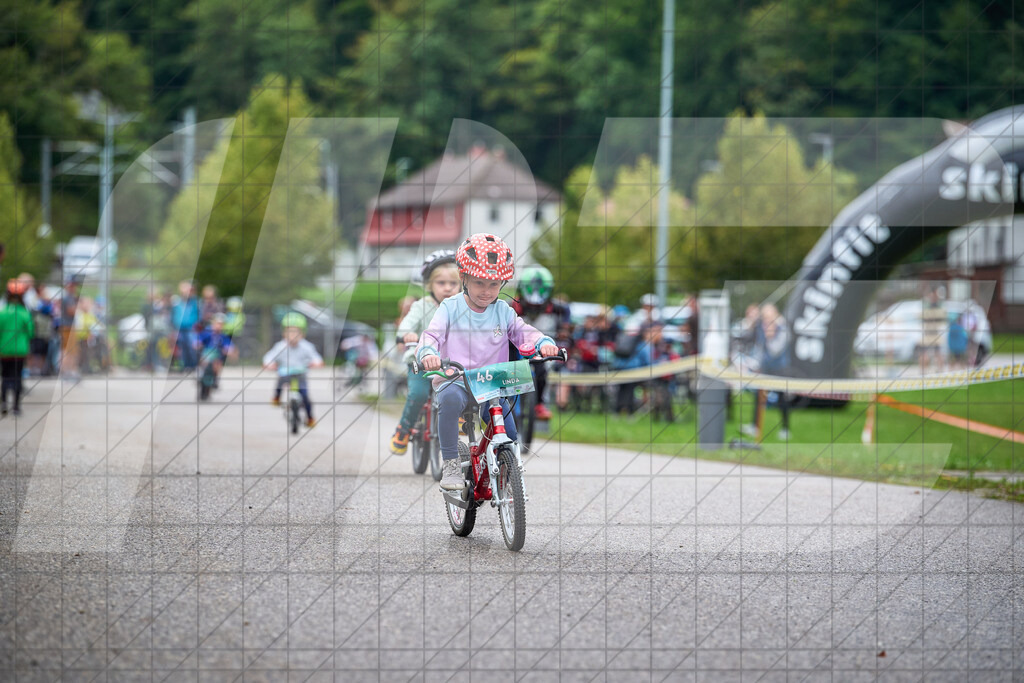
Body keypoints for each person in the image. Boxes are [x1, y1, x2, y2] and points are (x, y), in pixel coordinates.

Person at [417, 233, 558, 491]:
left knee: (509, 432)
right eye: (479, 283)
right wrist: (428, 353)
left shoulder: (503, 311)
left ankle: (503, 467)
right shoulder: (450, 308)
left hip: (491, 384)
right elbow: (432, 335)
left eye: (494, 284)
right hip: (456, 379)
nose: (487, 291)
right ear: (464, 278)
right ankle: (450, 462)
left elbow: (523, 331)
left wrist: (542, 342)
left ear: (503, 282)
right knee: (448, 401)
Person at [389, 249, 460, 455]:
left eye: (453, 283)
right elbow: (406, 325)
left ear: (462, 284)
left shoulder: (462, 307)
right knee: (418, 394)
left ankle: (458, 420)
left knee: (460, 391)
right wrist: (407, 334)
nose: (447, 288)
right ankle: (404, 429)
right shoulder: (421, 306)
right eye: (441, 283)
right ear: (429, 285)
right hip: (419, 362)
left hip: (449, 363)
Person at [510, 265, 569, 420]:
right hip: (516, 343)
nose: (534, 308)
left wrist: (564, 329)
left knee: (542, 369)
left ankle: (539, 404)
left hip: (539, 343)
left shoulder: (556, 307)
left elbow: (566, 313)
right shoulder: (511, 306)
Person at [741, 303, 793, 440]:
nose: (767, 320)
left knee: (782, 398)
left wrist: (770, 335)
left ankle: (785, 429)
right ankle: (755, 426)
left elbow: (775, 350)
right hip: (765, 368)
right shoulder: (761, 327)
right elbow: (759, 346)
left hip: (780, 368)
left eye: (769, 316)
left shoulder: (783, 328)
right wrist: (757, 364)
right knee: (759, 396)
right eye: (765, 317)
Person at [263, 312, 324, 427]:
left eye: (296, 332)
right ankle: (276, 397)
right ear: (284, 333)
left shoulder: (307, 346)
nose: (293, 335)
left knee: (305, 396)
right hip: (285, 373)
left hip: (300, 374)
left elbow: (316, 358)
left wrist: (316, 363)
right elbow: (269, 357)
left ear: (302, 334)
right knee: (280, 382)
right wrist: (269, 364)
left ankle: (310, 418)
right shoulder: (280, 346)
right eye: (290, 332)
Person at [0, 279, 34, 415]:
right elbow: (31, 332)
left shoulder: (2, 313)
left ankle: (3, 402)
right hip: (19, 351)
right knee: (17, 377)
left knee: (5, 376)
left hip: (4, 350)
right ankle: (16, 407)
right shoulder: (24, 313)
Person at [196, 313, 237, 388]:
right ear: (213, 323)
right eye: (217, 323)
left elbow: (229, 345)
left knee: (218, 363)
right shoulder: (207, 332)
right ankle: (201, 375)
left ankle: (215, 378)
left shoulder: (223, 335)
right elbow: (198, 341)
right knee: (204, 360)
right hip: (207, 352)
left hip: (217, 354)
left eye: (221, 324)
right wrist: (198, 344)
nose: (219, 326)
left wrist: (228, 350)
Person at [171, 280, 200, 371]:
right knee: (182, 347)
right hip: (179, 328)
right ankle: (186, 365)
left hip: (191, 328)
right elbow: (173, 314)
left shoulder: (195, 302)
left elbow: (199, 314)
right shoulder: (176, 302)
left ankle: (194, 365)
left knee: (192, 346)